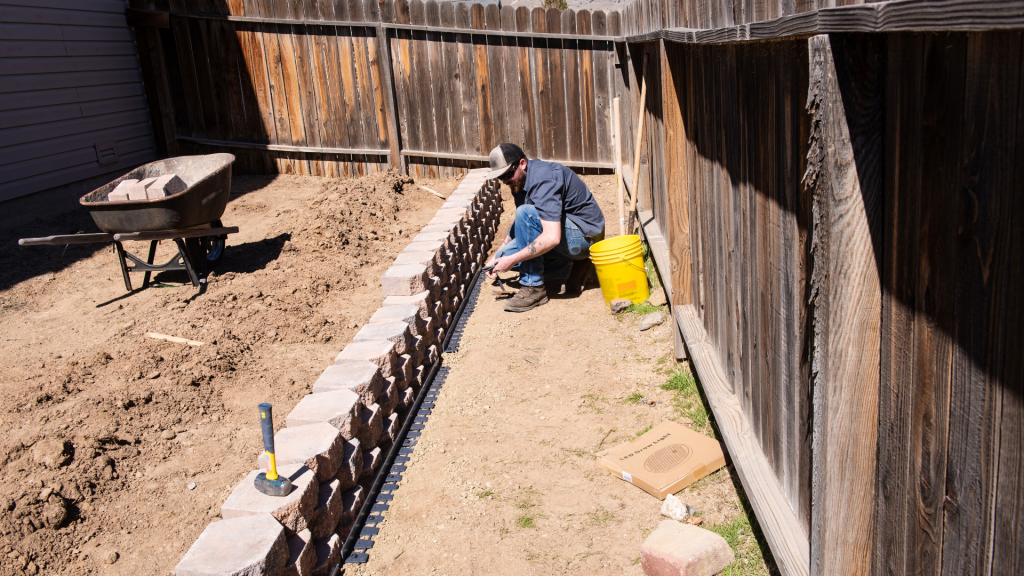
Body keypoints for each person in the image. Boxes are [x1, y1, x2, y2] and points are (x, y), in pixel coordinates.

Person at [483, 143, 605, 312]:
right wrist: (497, 256)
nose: (505, 181)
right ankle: (574, 266)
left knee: (520, 232)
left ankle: (534, 288)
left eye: (508, 174)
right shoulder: (518, 181)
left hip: (585, 236)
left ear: (522, 164)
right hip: (566, 232)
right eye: (500, 177)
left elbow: (551, 236)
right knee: (505, 256)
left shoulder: (544, 179)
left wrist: (512, 260)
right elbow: (519, 225)